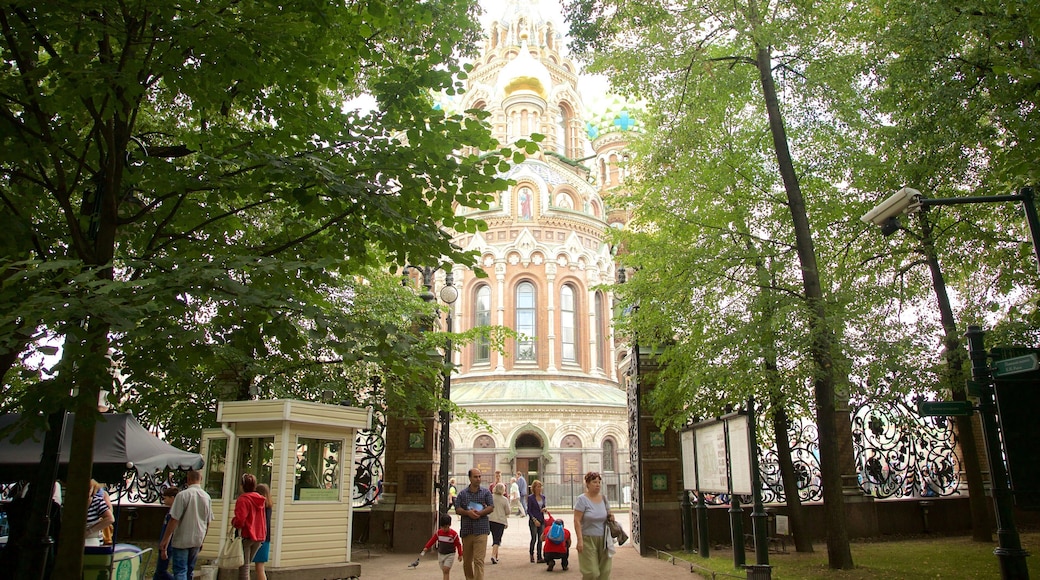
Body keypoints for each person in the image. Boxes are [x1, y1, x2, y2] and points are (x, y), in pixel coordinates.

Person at [160, 469, 214, 580]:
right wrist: (203, 539)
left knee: (180, 570)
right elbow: (208, 521)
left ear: (188, 479)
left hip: (182, 539)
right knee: (190, 570)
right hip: (197, 538)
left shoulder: (182, 495)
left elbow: (174, 519)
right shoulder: (207, 497)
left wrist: (165, 540)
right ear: (200, 479)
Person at [573, 471, 615, 580]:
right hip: (588, 539)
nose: (597, 484)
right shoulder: (582, 499)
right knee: (591, 572)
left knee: (605, 572)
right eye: (594, 482)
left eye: (599, 482)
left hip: (604, 539)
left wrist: (611, 516)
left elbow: (608, 513)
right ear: (587, 484)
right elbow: (577, 520)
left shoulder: (604, 499)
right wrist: (579, 540)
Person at [453, 468, 493, 580]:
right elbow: (457, 509)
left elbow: (491, 507)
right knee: (467, 561)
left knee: (479, 560)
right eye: (475, 477)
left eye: (479, 476)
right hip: (467, 531)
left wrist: (480, 513)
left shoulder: (486, 493)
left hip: (481, 530)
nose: (478, 479)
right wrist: (467, 513)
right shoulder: (462, 494)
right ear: (470, 478)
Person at [232, 474, 268, 580]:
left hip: (246, 534)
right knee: (246, 564)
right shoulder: (260, 499)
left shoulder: (243, 499)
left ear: (242, 485)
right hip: (259, 536)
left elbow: (240, 519)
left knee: (244, 567)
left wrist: (234, 522)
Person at [420, 513, 463, 580]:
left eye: (446, 527)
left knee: (446, 570)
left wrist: (460, 554)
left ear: (449, 525)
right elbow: (432, 540)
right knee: (444, 570)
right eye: (442, 527)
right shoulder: (439, 533)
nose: (444, 529)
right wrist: (426, 547)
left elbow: (458, 544)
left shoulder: (453, 534)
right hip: (441, 554)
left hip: (450, 554)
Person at [153, 486, 179, 580]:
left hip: (168, 545)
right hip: (164, 544)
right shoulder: (170, 511)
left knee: (161, 572)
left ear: (172, 498)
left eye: (165, 498)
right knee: (159, 572)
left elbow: (171, 531)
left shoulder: (174, 513)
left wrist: (164, 547)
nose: (163, 500)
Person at [252, 483, 274, 580]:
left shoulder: (259, 506)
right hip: (266, 537)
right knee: (260, 566)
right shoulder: (268, 506)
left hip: (257, 536)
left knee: (258, 567)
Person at [85, 480, 114, 547]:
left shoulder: (97, 501)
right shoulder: (73, 502)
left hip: (92, 539)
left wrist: (89, 531)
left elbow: (110, 519)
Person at [525, 479, 547, 563]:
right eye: (538, 486)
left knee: (540, 539)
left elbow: (543, 506)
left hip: (541, 519)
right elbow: (529, 510)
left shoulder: (543, 497)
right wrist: (534, 520)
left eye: (540, 486)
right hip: (533, 521)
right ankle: (531, 554)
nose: (539, 488)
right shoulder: (531, 498)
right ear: (534, 488)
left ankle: (539, 556)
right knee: (534, 538)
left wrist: (544, 509)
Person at [488, 482, 510, 565]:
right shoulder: (504, 500)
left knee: (490, 537)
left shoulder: (490, 497)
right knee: (497, 539)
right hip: (500, 521)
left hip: (490, 519)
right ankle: (493, 555)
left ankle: (496, 556)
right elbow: (508, 511)